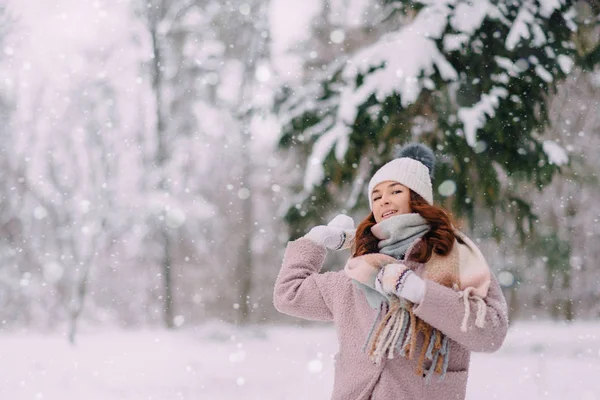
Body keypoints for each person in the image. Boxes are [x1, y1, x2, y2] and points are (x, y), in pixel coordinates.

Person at [273, 142, 509, 399]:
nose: (384, 199)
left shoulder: (455, 255)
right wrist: (315, 241)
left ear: (417, 198)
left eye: (395, 191)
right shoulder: (359, 272)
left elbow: (492, 332)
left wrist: (420, 292)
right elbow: (289, 295)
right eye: (376, 196)